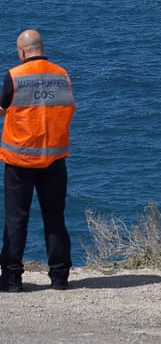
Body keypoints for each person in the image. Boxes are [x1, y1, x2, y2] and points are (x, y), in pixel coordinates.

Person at [0, 29, 75, 292]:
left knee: (16, 219)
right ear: (41, 48)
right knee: (54, 218)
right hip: (54, 159)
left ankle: (12, 279)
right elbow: (67, 109)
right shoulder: (61, 75)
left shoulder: (14, 76)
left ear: (22, 51)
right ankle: (59, 277)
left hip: (20, 160)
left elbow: (3, 106)